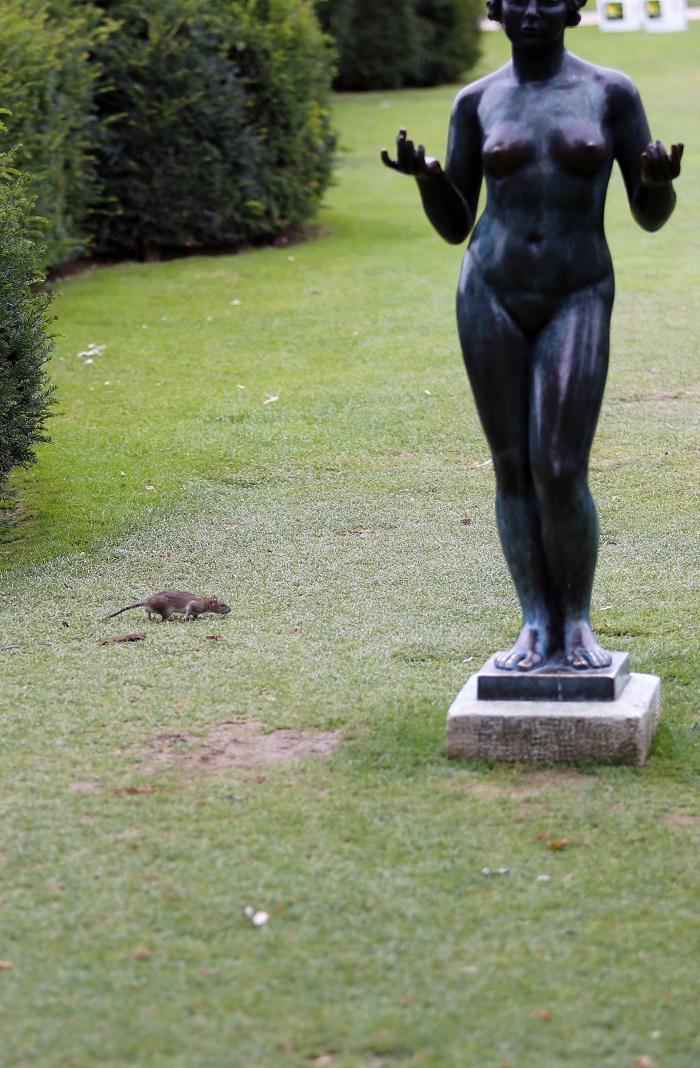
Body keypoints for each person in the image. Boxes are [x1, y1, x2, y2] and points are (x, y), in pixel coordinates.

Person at [381, 0, 682, 672]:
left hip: (578, 291)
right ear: (496, 8)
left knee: (559, 465)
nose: (534, 12)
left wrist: (658, 185)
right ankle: (534, 625)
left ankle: (576, 623)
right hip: (489, 289)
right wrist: (430, 180)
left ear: (573, 6)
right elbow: (456, 225)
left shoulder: (610, 93)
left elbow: (649, 212)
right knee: (513, 466)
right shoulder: (477, 101)